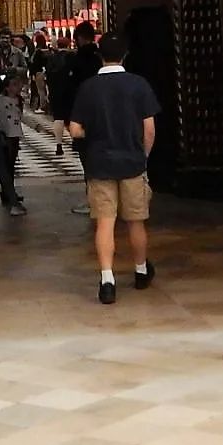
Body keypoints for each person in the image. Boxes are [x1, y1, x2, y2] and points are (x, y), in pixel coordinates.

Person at [65, 32, 159, 305]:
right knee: (136, 221)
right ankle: (141, 270)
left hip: (99, 162)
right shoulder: (138, 84)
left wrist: (93, 132)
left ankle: (107, 279)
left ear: (99, 55)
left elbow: (75, 129)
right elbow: (149, 129)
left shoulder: (89, 87)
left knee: (105, 223)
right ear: (126, 54)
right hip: (132, 161)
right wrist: (143, 156)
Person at [0, 72, 28, 217]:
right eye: (14, 84)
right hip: (5, 133)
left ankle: (9, 190)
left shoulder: (19, 100)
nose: (18, 87)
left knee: (11, 164)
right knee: (5, 164)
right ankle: (7, 191)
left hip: (15, 133)